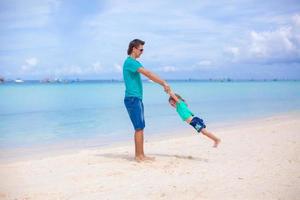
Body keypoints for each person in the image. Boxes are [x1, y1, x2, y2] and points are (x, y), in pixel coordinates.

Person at [123, 39, 171, 162]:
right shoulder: (131, 62)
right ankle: (139, 156)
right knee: (139, 128)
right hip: (132, 99)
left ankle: (141, 155)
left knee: (140, 127)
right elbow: (148, 73)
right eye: (141, 49)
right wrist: (163, 83)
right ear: (134, 48)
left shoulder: (133, 63)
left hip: (135, 98)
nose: (142, 52)